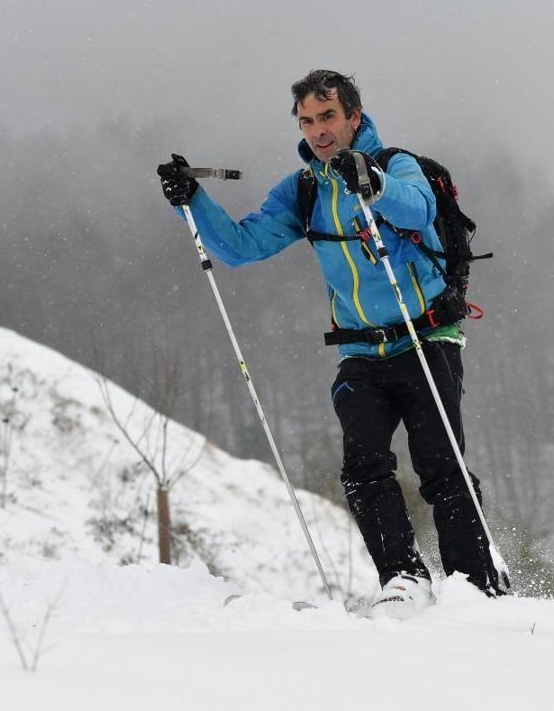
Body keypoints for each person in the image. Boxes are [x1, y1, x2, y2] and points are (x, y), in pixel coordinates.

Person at [157, 69, 507, 615]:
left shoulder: (396, 164)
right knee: (363, 466)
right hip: (361, 352)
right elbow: (240, 247)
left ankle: (476, 585)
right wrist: (193, 199)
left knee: (440, 465)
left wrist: (373, 182)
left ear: (354, 117)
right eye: (307, 121)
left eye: (328, 117)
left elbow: (419, 209)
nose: (318, 130)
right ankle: (404, 580)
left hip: (426, 337)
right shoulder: (304, 190)